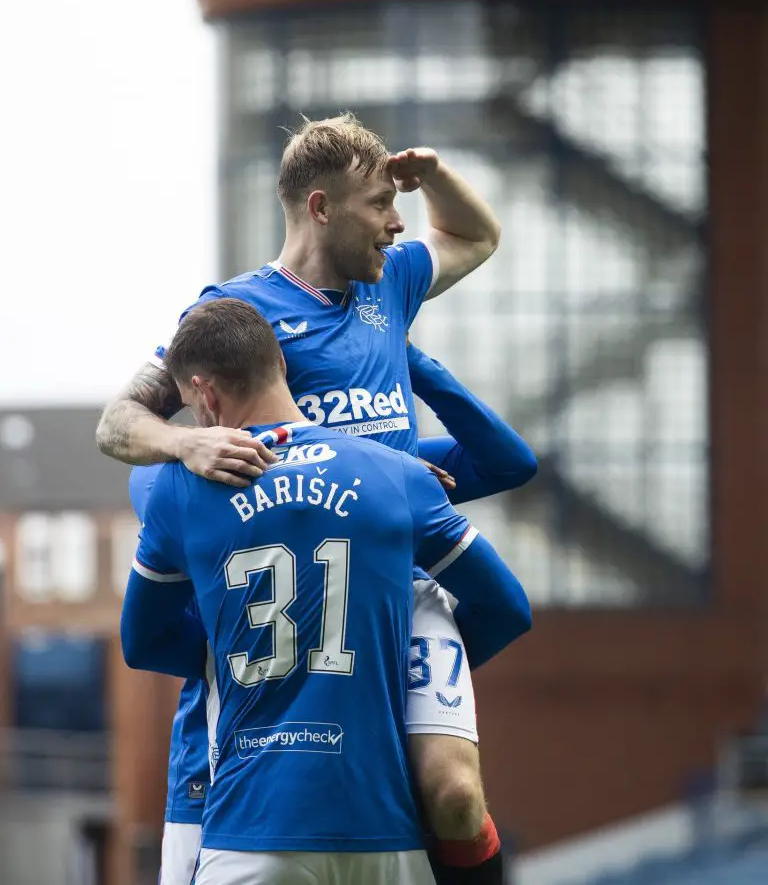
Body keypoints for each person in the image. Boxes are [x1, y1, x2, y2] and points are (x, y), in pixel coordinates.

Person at [98, 113, 514, 884]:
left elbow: (477, 236)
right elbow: (118, 421)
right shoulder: (241, 314)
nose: (397, 224)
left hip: (394, 588)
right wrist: (187, 445)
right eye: (379, 204)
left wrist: (432, 176)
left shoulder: (390, 282)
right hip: (289, 600)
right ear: (320, 208)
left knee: (455, 794)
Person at [121, 298, 531, 885]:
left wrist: (233, 654)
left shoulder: (179, 489)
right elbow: (507, 606)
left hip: (251, 831)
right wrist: (394, 663)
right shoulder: (399, 474)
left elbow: (142, 642)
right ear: (282, 366)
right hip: (385, 836)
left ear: (204, 395)